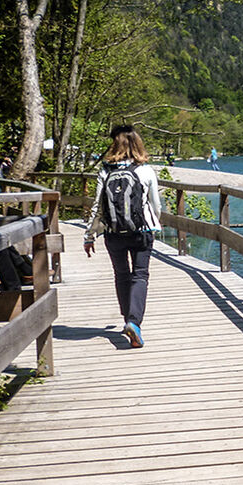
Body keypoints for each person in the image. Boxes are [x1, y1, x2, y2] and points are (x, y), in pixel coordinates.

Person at [83, 125, 162, 349]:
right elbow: (156, 206)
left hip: (113, 232)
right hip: (142, 231)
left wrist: (89, 236)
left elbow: (97, 207)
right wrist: (155, 222)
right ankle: (134, 322)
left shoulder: (105, 171)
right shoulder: (145, 171)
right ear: (138, 143)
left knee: (121, 275)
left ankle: (128, 319)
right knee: (140, 275)